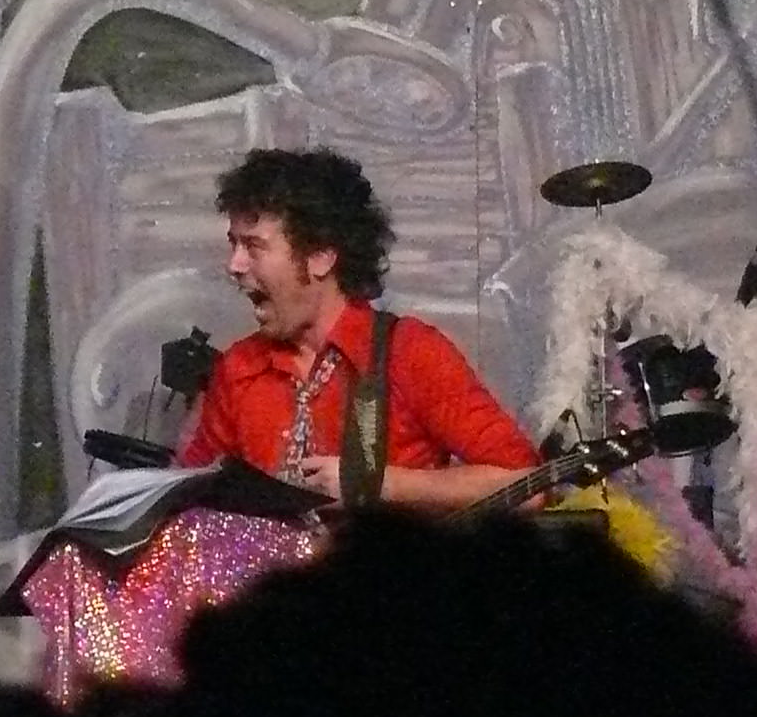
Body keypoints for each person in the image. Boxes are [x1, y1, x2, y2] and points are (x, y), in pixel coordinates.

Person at [176, 145, 537, 508]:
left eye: (254, 246)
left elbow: (527, 489)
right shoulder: (238, 367)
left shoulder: (409, 353)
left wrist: (382, 485)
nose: (234, 265)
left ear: (321, 257)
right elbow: (182, 500)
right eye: (234, 244)